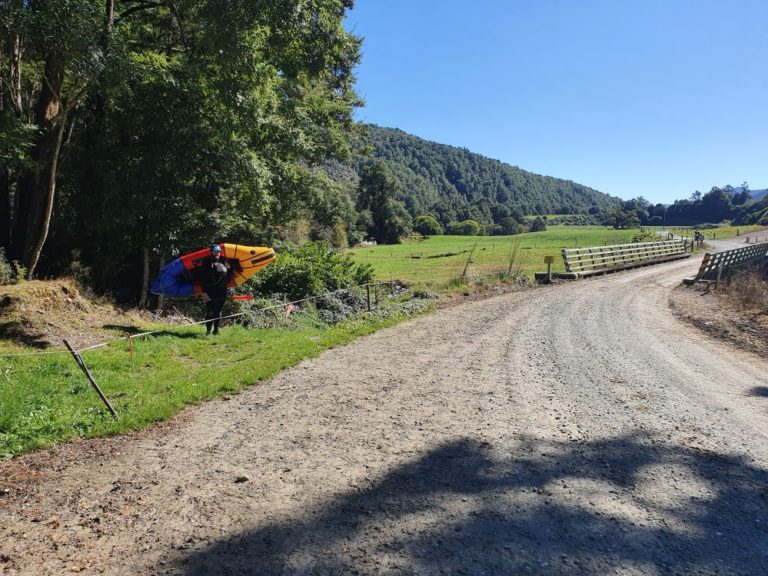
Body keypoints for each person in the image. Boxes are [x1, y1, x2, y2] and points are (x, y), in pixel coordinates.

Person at [201, 244, 232, 335]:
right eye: (214, 252)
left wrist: (229, 268)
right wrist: (204, 292)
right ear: (211, 253)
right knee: (210, 311)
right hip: (210, 290)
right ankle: (208, 331)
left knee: (218, 311)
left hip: (222, 290)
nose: (216, 254)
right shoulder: (206, 263)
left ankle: (216, 331)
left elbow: (229, 276)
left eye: (218, 252)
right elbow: (203, 279)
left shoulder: (224, 261)